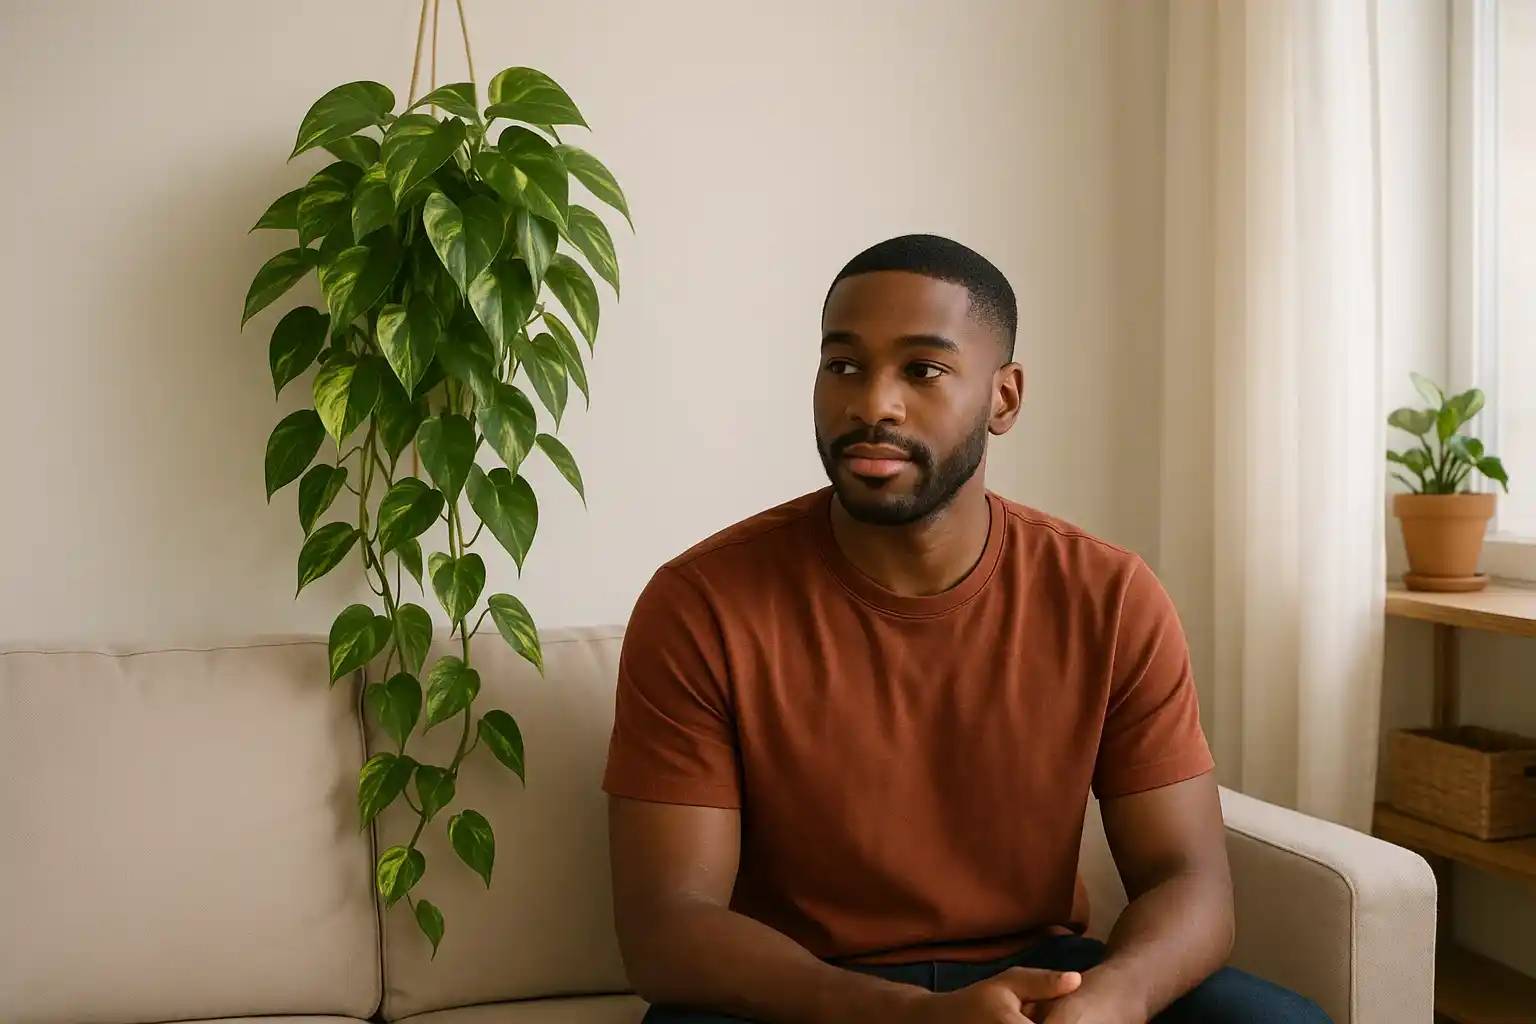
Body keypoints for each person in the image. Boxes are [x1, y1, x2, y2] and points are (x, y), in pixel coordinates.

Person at [601, 234, 1331, 1024]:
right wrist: (910, 1019)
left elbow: (1191, 882)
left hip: (1045, 978)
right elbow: (667, 930)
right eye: (842, 364)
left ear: (1004, 398)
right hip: (806, 995)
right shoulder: (700, 603)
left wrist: (1115, 1001)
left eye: (922, 370)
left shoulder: (1109, 595)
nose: (872, 402)